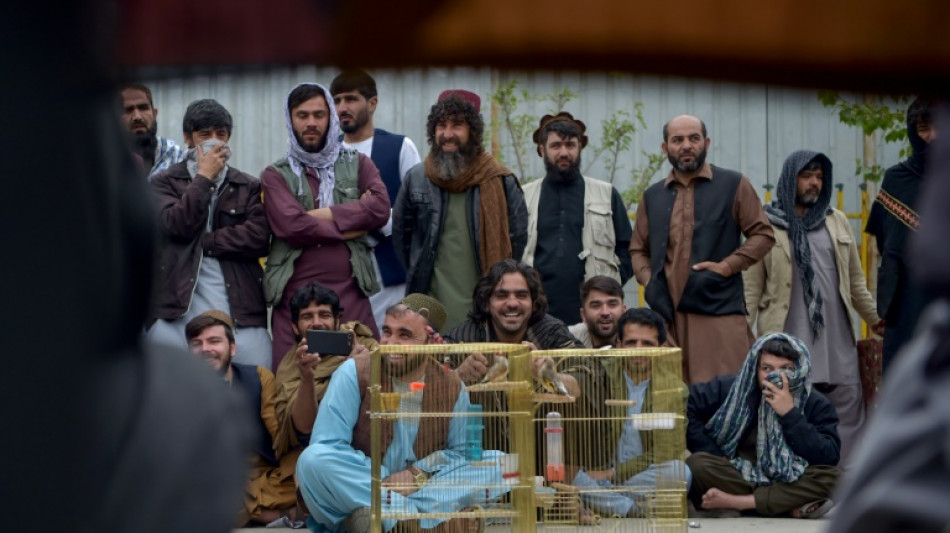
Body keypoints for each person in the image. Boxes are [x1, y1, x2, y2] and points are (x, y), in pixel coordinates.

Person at [295, 294, 508, 532]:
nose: (390, 343)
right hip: (368, 480)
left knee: (504, 464)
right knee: (312, 461)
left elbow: (462, 454)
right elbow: (327, 444)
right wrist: (381, 479)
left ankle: (381, 517)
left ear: (431, 343)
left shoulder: (452, 386)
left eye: (404, 335)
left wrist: (418, 474)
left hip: (422, 486)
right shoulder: (355, 373)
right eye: (387, 332)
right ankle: (422, 520)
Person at [744, 150, 882, 468]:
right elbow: (750, 292)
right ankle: (804, 486)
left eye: (819, 177)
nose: (814, 183)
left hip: (837, 340)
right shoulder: (766, 226)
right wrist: (743, 336)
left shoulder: (837, 221)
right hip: (789, 340)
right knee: (793, 414)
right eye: (807, 176)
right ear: (790, 179)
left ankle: (848, 483)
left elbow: (856, 285)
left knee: (849, 416)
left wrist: (878, 322)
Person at [630, 114, 775, 383]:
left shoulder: (733, 184)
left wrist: (726, 266)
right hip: (669, 313)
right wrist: (649, 280)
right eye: (678, 140)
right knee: (674, 397)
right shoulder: (653, 196)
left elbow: (763, 234)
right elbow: (638, 249)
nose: (686, 145)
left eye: (693, 138)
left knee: (724, 393)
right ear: (665, 148)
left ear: (706, 143)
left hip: (717, 309)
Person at [262, 82, 390, 370]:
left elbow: (380, 208)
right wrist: (352, 223)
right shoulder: (275, 175)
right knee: (292, 386)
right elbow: (292, 227)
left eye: (319, 115)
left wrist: (315, 214)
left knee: (366, 377)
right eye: (302, 115)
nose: (311, 123)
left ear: (331, 117)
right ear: (290, 119)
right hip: (294, 303)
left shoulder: (359, 164)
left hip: (351, 294)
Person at [146, 99, 272, 367]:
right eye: (205, 135)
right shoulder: (163, 183)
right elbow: (177, 224)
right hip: (175, 311)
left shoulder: (247, 185)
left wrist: (205, 242)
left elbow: (259, 237)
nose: (214, 142)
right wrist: (204, 177)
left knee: (257, 381)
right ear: (188, 138)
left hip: (241, 311)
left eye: (221, 134)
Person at [394, 89, 528, 332]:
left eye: (457, 125)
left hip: (483, 308)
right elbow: (402, 239)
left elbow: (516, 241)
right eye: (441, 125)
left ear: (473, 131)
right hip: (429, 307)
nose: (447, 134)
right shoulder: (416, 178)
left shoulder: (501, 180)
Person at [686, 333, 840, 518]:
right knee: (697, 464)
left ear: (799, 370)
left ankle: (737, 503)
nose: (775, 375)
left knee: (835, 478)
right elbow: (688, 405)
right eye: (767, 368)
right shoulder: (733, 389)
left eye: (785, 369)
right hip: (739, 474)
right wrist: (717, 455)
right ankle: (787, 506)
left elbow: (828, 456)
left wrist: (790, 414)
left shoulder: (815, 403)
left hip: (791, 477)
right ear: (755, 368)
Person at [569, 308, 691, 518]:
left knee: (680, 472)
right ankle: (631, 507)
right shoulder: (601, 373)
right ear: (619, 344)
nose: (638, 349)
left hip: (638, 476)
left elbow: (667, 449)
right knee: (566, 473)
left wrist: (614, 474)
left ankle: (607, 502)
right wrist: (599, 472)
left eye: (647, 344)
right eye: (631, 342)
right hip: (596, 472)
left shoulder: (674, 389)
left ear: (661, 348)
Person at [185, 310, 299, 526]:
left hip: (263, 477)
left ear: (233, 348)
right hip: (212, 478)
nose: (205, 349)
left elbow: (280, 437)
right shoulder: (178, 388)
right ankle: (276, 515)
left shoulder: (258, 377)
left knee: (306, 473)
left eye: (214, 341)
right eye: (196, 343)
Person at [330, 69, 422, 329]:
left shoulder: (401, 147)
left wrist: (374, 217)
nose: (342, 107)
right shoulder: (326, 154)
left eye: (350, 99)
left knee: (391, 346)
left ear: (373, 103)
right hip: (340, 271)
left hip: (391, 272)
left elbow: (418, 212)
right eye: (336, 101)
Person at [522, 112, 633, 324]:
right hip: (536, 313)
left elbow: (628, 248)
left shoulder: (606, 193)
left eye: (570, 145)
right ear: (542, 150)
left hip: (592, 314)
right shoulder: (524, 196)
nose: (564, 152)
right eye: (556, 146)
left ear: (579, 148)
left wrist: (610, 284)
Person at [866, 97, 938, 371]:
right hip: (906, 302)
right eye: (923, 128)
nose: (932, 137)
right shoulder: (896, 179)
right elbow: (884, 243)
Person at [273, 282, 379, 465]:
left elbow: (390, 398)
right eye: (307, 316)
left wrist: (357, 370)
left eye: (324, 315)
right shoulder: (290, 367)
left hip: (369, 446)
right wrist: (307, 376)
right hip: (321, 454)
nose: (316, 322)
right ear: (295, 327)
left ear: (337, 321)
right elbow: (305, 429)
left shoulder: (364, 347)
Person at [446, 258, 582, 385]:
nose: (512, 303)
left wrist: (549, 376)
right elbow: (431, 381)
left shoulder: (551, 333)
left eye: (521, 295)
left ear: (534, 303)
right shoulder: (466, 336)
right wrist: (459, 375)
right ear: (487, 303)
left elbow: (588, 379)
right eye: (502, 295)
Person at [120, 82, 184, 179]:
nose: (137, 117)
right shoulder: (109, 160)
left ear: (155, 113)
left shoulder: (174, 154)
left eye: (143, 108)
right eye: (128, 110)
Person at [569, 275, 628, 349]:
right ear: (583, 314)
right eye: (596, 306)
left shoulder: (638, 338)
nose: (605, 312)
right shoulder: (566, 339)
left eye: (612, 304)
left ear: (624, 311)